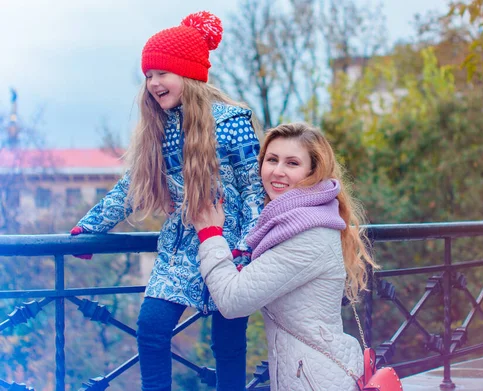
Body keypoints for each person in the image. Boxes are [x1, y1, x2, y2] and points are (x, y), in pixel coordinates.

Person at [69, 11, 265, 391]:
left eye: (162, 72)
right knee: (151, 328)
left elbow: (254, 190)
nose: (154, 83)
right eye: (148, 75)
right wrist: (91, 226)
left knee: (227, 342)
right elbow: (133, 186)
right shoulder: (157, 129)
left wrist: (247, 247)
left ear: (188, 74)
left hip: (231, 248)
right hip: (181, 247)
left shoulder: (232, 122)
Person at [193, 122, 379, 391]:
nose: (277, 171)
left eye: (292, 163)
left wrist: (210, 234)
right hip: (312, 373)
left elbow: (233, 301)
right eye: (272, 160)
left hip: (313, 381)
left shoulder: (306, 235)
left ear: (312, 172)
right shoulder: (299, 219)